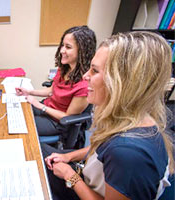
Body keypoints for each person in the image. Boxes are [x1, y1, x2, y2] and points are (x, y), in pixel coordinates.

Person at [42, 31, 174, 200]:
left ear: (121, 82)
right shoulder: (131, 118)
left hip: (84, 187)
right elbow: (98, 150)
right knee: (41, 151)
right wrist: (68, 156)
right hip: (90, 177)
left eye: (95, 71)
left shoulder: (128, 153)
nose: (85, 76)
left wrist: (70, 175)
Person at [16, 26, 96, 136]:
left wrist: (39, 106)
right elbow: (51, 91)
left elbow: (68, 117)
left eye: (68, 47)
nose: (62, 50)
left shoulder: (84, 85)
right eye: (62, 45)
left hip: (57, 122)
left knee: (20, 125)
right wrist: (29, 92)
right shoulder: (64, 68)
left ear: (82, 51)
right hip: (47, 108)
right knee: (17, 111)